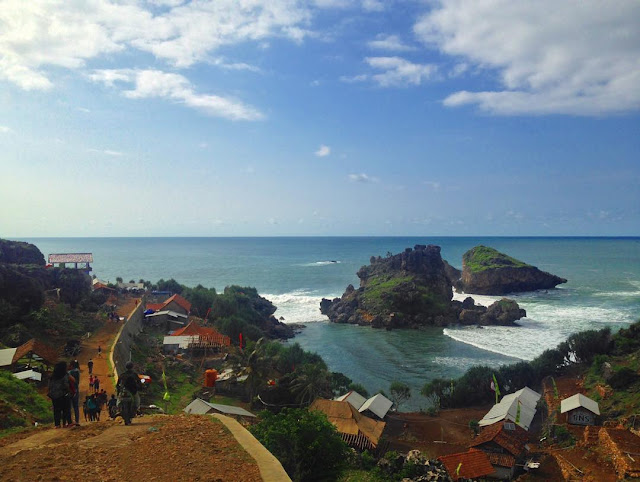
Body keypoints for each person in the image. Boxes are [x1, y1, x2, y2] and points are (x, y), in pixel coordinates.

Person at [116, 361, 141, 425]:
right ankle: (137, 410)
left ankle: (118, 410)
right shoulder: (134, 375)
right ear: (132, 367)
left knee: (118, 401)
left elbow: (117, 384)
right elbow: (139, 383)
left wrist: (118, 391)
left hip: (123, 392)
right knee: (137, 401)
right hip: (133, 392)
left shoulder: (122, 375)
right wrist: (138, 387)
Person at [48, 361, 71, 428]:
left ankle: (57, 424)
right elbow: (66, 385)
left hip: (54, 396)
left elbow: (49, 386)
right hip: (63, 395)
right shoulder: (64, 375)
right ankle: (66, 423)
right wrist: (69, 391)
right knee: (65, 409)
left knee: (56, 410)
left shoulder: (52, 376)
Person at [68, 361, 81, 426]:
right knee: (76, 406)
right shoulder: (78, 371)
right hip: (76, 390)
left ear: (71, 365)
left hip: (70, 390)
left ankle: (70, 421)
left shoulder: (70, 372)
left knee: (69, 407)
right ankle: (77, 420)